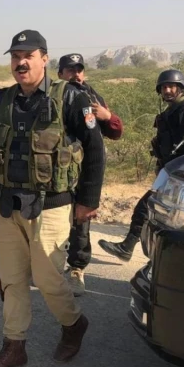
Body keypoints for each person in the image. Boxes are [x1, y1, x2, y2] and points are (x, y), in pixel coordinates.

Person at [0, 30, 105, 367]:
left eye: (28, 56)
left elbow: (95, 149)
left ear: (45, 59)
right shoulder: (3, 100)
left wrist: (88, 201)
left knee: (49, 280)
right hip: (8, 204)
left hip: (51, 204)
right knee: (12, 279)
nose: (21, 63)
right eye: (15, 56)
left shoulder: (71, 97)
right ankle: (14, 345)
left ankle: (73, 324)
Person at [98, 69, 184, 262]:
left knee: (150, 210)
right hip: (171, 170)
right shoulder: (172, 110)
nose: (167, 91)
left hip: (182, 173)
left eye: (171, 87)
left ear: (181, 88)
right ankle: (136, 251)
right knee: (153, 212)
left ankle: (137, 252)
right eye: (164, 87)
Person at [57, 53, 123, 297]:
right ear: (60, 73)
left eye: (79, 69)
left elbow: (115, 132)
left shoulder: (92, 96)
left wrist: (108, 117)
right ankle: (48, 266)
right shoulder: (53, 95)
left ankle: (76, 269)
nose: (76, 74)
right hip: (54, 170)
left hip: (84, 169)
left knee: (81, 220)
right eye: (70, 70)